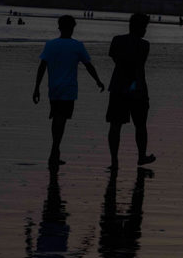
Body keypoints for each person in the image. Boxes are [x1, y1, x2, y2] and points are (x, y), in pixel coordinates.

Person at [33, 15, 105, 168]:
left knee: (56, 118)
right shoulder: (77, 46)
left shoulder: (50, 45)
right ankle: (54, 150)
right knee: (61, 119)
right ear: (73, 28)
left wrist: (37, 88)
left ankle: (55, 150)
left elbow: (42, 67)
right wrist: (98, 80)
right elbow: (88, 66)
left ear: (59, 27)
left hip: (54, 88)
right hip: (68, 89)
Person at [106, 13, 155, 169]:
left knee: (115, 125)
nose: (145, 31)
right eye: (145, 27)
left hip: (118, 87)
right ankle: (141, 156)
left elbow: (116, 58)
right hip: (137, 88)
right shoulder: (144, 45)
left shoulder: (117, 40)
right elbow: (138, 63)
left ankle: (114, 160)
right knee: (140, 125)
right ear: (139, 27)